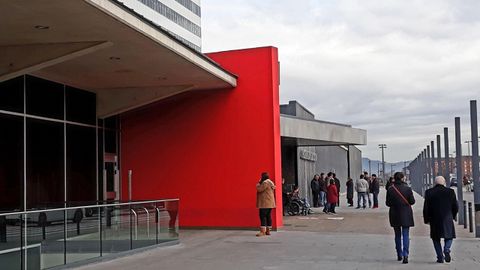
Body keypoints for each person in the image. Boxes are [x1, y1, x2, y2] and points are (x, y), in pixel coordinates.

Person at [423, 176, 458, 263]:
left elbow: (426, 207)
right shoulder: (450, 192)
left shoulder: (429, 192)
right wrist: (453, 216)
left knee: (435, 238)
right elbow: (455, 206)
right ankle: (446, 249)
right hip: (447, 217)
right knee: (449, 235)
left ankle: (440, 257)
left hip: (434, 218)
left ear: (435, 183)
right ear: (444, 182)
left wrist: (426, 219)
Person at [386, 172, 415, 264]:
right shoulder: (408, 189)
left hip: (394, 214)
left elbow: (388, 203)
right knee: (406, 235)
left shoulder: (390, 189)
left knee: (397, 235)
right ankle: (405, 255)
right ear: (402, 178)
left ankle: (399, 254)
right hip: (406, 214)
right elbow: (412, 201)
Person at [256, 172, 276, 237]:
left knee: (262, 216)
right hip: (270, 203)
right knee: (268, 216)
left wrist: (258, 183)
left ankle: (263, 231)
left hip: (265, 203)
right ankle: (268, 230)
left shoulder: (265, 183)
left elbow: (259, 189)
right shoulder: (270, 182)